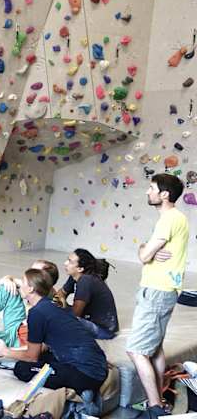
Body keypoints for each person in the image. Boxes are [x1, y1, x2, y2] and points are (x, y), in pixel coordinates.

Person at [127, 174, 189, 419]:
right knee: (155, 348)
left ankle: (155, 407)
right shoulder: (177, 218)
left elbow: (143, 256)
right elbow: (146, 251)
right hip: (166, 290)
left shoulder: (167, 221)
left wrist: (145, 251)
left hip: (157, 290)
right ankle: (160, 400)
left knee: (136, 350)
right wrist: (146, 249)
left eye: (151, 188)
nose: (147, 192)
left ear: (164, 195)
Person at [0, 268, 108, 394]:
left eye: (23, 283)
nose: (20, 286)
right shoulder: (52, 305)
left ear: (31, 289)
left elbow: (31, 358)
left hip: (87, 374)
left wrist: (5, 351)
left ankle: (84, 393)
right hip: (98, 363)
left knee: (22, 369)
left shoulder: (36, 313)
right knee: (43, 356)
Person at [0, 259, 59, 349]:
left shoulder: (50, 306)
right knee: (9, 288)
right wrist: (7, 280)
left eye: (34, 272)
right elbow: (10, 279)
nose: (29, 273)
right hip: (17, 327)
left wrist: (7, 351)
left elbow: (38, 348)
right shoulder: (35, 285)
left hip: (17, 340)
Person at [55, 249, 119, 340]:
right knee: (51, 302)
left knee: (56, 318)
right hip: (88, 320)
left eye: (70, 262)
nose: (65, 263)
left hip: (104, 330)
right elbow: (61, 293)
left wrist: (59, 305)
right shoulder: (75, 275)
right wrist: (57, 302)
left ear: (80, 269)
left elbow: (75, 315)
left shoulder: (85, 280)